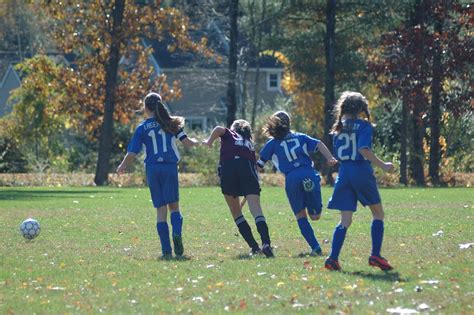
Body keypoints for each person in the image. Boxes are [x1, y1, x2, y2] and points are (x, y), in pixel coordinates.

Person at [117, 92, 199, 259]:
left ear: (146, 108)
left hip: (153, 169)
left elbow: (132, 152)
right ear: (161, 105)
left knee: (160, 210)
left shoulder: (141, 128)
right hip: (169, 167)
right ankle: (177, 234)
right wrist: (203, 142)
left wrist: (123, 165)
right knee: (174, 207)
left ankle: (166, 250)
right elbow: (188, 143)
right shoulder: (171, 123)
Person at [325, 91, 395, 271]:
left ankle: (332, 259)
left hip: (344, 173)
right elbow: (364, 150)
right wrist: (383, 165)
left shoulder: (338, 127)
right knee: (378, 214)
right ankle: (375, 255)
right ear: (361, 108)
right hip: (360, 170)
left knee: (345, 221)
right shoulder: (364, 125)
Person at [257, 111, 337, 256]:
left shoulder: (272, 144)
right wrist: (330, 158)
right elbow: (319, 144)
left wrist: (250, 180)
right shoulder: (300, 137)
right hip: (308, 173)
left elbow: (259, 164)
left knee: (301, 216)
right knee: (315, 216)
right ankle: (310, 190)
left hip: (292, 179)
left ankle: (315, 248)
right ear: (289, 124)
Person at [203, 120, 274, 257]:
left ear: (234, 128)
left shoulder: (230, 134)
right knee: (256, 210)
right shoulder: (249, 145)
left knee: (236, 212)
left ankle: (255, 247)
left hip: (228, 168)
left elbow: (218, 129)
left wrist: (209, 142)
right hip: (248, 169)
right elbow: (253, 169)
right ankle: (266, 243)